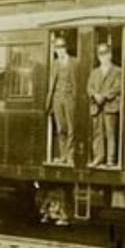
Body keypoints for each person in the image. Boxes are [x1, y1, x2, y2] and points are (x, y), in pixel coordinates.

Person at [86, 42, 122, 168]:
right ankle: (98, 158)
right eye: (100, 54)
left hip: (110, 106)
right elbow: (89, 87)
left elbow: (118, 87)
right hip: (96, 106)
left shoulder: (118, 71)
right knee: (97, 133)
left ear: (110, 55)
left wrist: (105, 96)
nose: (103, 56)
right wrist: (95, 95)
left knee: (110, 133)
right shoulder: (94, 72)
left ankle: (110, 160)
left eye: (105, 53)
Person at [45, 37, 77, 165]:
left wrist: (75, 98)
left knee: (71, 128)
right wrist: (49, 101)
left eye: (61, 47)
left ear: (65, 48)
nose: (59, 50)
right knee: (60, 128)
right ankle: (63, 155)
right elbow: (52, 83)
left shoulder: (74, 62)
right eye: (57, 48)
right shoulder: (54, 63)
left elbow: (77, 83)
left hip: (70, 98)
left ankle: (70, 156)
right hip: (57, 98)